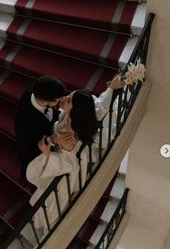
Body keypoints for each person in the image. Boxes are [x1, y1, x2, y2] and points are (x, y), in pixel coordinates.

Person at [26, 77, 125, 233]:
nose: (64, 99)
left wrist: (48, 153)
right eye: (69, 95)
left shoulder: (69, 134)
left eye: (68, 100)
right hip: (65, 156)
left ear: (75, 109)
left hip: (65, 168)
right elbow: (100, 106)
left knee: (52, 198)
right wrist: (111, 88)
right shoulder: (72, 115)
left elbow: (67, 162)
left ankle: (49, 228)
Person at [15, 75, 71, 176]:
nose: (62, 101)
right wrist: (52, 140)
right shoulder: (26, 123)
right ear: (46, 102)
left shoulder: (38, 92)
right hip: (33, 149)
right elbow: (31, 146)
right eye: (58, 101)